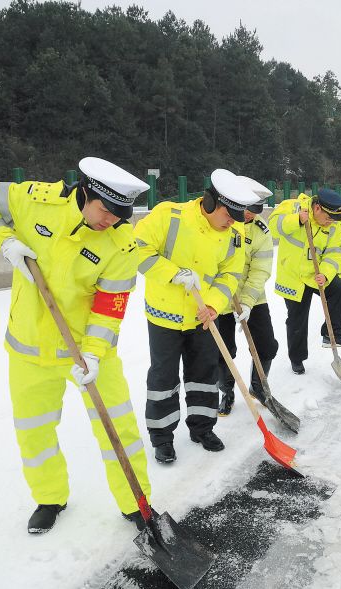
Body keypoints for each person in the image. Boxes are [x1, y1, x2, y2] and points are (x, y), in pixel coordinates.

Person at [0, 157, 152, 534]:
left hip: (88, 353)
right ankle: (50, 498)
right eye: (105, 210)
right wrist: (5, 241)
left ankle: (136, 502)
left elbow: (110, 305)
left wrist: (94, 354)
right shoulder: (35, 201)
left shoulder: (122, 243)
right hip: (29, 349)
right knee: (34, 431)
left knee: (119, 429)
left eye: (120, 215)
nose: (111, 221)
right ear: (85, 192)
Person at [135, 168, 258, 463]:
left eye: (237, 218)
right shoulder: (169, 216)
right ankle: (162, 437)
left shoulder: (234, 234)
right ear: (211, 201)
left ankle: (203, 428)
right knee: (163, 378)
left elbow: (230, 274)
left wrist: (214, 304)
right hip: (164, 315)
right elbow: (136, 250)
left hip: (203, 317)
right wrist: (173, 274)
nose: (233, 222)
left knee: (203, 375)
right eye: (229, 215)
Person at [269, 189, 341, 375]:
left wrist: (326, 274)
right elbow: (273, 227)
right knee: (297, 319)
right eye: (328, 218)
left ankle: (332, 334)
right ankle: (297, 359)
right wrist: (296, 220)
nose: (330, 222)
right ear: (317, 208)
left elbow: (334, 253)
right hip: (293, 276)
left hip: (315, 274)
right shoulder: (291, 207)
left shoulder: (334, 223)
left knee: (339, 290)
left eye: (333, 220)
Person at [217, 176, 279, 416]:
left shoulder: (261, 231)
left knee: (267, 345)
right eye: (247, 210)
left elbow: (260, 269)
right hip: (220, 297)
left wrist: (247, 302)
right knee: (224, 350)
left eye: (255, 210)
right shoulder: (219, 224)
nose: (252, 215)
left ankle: (258, 388)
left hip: (252, 297)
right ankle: (227, 392)